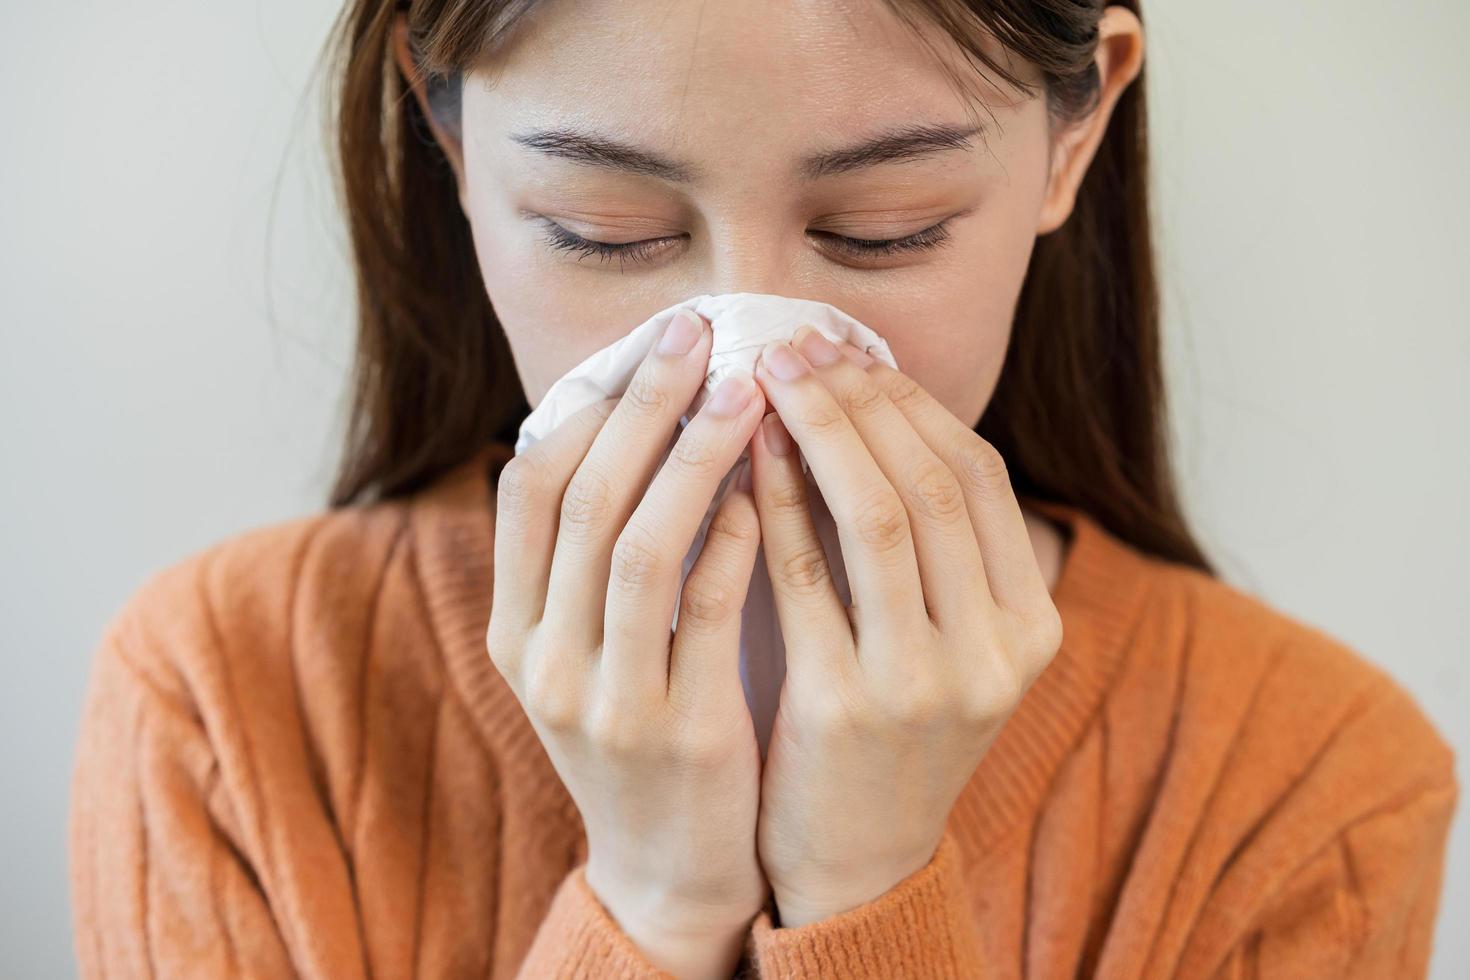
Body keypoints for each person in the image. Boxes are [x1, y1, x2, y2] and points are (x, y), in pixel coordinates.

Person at [68, 1, 1457, 977]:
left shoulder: (1307, 779)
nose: (746, 352)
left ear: (1070, 135)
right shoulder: (232, 698)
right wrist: (653, 905)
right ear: (451, 143)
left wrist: (869, 902)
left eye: (881, 230)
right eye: (604, 233)